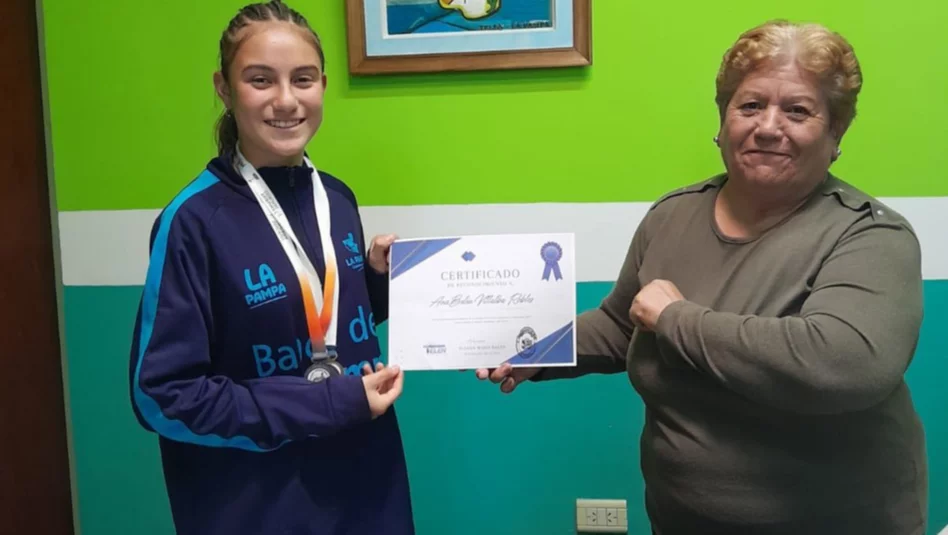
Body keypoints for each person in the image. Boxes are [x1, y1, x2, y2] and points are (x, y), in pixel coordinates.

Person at [478, 20, 928, 535]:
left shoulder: (870, 234)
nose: (768, 126)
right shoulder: (672, 216)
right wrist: (535, 349)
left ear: (836, 133)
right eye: (750, 105)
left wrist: (676, 319)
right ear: (722, 119)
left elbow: (843, 364)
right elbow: (622, 325)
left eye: (798, 110)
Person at [127, 2, 414, 534]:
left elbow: (314, 324)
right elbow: (162, 396)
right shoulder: (193, 222)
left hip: (368, 490)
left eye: (302, 79)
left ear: (322, 85)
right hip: (258, 504)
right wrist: (323, 402)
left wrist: (377, 285)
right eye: (260, 80)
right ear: (224, 88)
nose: (285, 99)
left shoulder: (337, 198)